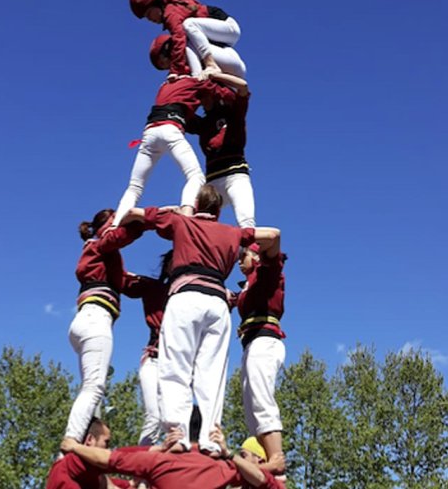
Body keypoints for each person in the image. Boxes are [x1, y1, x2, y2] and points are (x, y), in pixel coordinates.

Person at [119, 185, 281, 455]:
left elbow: (132, 214)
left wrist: (170, 211)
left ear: (196, 205)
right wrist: (267, 252)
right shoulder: (232, 232)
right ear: (218, 210)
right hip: (217, 302)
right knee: (212, 372)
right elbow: (273, 234)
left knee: (175, 366)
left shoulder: (181, 222)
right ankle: (210, 438)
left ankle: (177, 433)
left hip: (186, 297)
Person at [111, 76, 236, 227]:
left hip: (149, 133)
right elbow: (228, 95)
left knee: (135, 186)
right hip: (170, 130)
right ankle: (187, 215)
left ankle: (114, 225)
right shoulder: (195, 80)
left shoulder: (165, 84)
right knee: (195, 176)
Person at [64, 209, 144, 443]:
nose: (118, 225)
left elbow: (129, 284)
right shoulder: (100, 244)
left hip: (87, 320)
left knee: (90, 390)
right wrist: (143, 221)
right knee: (94, 388)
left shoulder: (104, 255)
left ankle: (84, 441)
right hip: (96, 319)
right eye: (113, 221)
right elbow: (118, 237)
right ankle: (71, 443)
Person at [60, 410, 283, 489]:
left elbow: (109, 458)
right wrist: (271, 466)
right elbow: (255, 476)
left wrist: (74, 446)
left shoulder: (158, 462)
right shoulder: (222, 469)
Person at [236, 241, 287, 474]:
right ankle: (267, 463)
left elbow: (273, 250)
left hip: (264, 340)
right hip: (251, 343)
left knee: (261, 400)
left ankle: (277, 465)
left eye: (242, 256)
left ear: (256, 257)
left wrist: (249, 236)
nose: (238, 261)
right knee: (251, 410)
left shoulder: (266, 272)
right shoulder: (247, 285)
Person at [130, 0, 243, 78]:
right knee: (189, 43)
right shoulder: (173, 7)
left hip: (229, 28)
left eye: (149, 14)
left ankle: (210, 64)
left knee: (188, 26)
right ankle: (197, 77)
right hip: (223, 43)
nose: (150, 19)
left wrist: (175, 70)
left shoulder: (171, 13)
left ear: (157, 3)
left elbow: (179, 39)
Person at [190, 71, 254, 228]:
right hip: (212, 181)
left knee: (246, 222)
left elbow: (243, 87)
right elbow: (181, 113)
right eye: (200, 97)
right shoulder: (203, 123)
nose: (202, 101)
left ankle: (250, 252)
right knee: (197, 223)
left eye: (206, 95)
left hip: (235, 175)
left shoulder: (233, 113)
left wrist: (213, 75)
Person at [121, 251, 172, 445]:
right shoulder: (154, 287)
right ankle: (142, 470)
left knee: (173, 420)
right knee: (154, 416)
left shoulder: (195, 294)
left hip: (179, 364)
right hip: (154, 358)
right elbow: (123, 279)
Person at [46, 419, 133, 489]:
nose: (108, 449)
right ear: (89, 440)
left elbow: (125, 484)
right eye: (106, 442)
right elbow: (113, 459)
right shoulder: (69, 465)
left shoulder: (92, 476)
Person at [148, 33, 246, 79]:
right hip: (232, 76)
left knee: (188, 45)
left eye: (162, 62)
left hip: (229, 60)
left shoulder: (186, 46)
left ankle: (198, 75)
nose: (166, 65)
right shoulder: (183, 65)